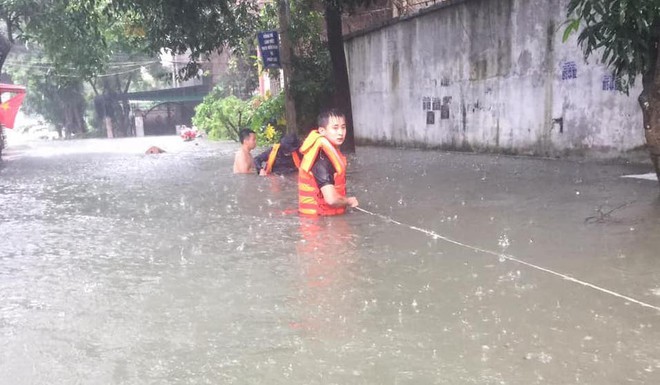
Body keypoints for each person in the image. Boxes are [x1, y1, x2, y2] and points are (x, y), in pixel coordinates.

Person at [298, 109, 359, 216]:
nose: (340, 132)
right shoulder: (321, 158)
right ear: (322, 131)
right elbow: (331, 200)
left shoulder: (329, 151)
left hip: (322, 219)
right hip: (319, 223)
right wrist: (349, 201)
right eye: (335, 128)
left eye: (343, 127)